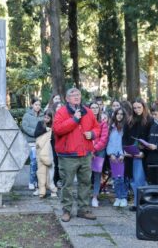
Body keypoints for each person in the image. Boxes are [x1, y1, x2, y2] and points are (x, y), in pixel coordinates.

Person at [53, 88, 100, 222]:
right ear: (67, 99)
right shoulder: (61, 112)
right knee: (67, 184)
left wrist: (93, 134)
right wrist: (74, 120)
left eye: (78, 95)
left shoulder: (88, 111)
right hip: (68, 156)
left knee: (85, 183)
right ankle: (66, 210)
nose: (76, 97)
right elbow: (57, 130)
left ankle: (83, 210)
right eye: (73, 95)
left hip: (85, 154)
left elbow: (97, 127)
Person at [122, 98, 153, 211]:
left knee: (140, 179)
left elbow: (151, 139)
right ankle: (137, 202)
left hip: (142, 155)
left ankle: (142, 203)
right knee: (133, 180)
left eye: (139, 107)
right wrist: (125, 150)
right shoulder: (130, 120)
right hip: (131, 154)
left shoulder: (149, 120)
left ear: (144, 107)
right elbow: (125, 137)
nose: (136, 110)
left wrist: (144, 152)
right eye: (134, 108)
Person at [107, 108, 128, 207]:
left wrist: (123, 154)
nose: (119, 116)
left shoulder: (126, 127)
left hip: (122, 156)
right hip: (113, 156)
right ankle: (118, 197)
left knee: (122, 178)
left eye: (121, 114)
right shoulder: (111, 127)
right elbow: (109, 142)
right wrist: (110, 154)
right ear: (114, 115)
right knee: (116, 178)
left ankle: (123, 197)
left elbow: (125, 142)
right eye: (117, 114)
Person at [34, 109, 58, 198]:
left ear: (51, 118)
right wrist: (45, 130)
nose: (45, 119)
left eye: (48, 118)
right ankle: (41, 189)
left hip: (51, 151)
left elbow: (55, 138)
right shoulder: (40, 124)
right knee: (41, 170)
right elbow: (36, 134)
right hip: (41, 150)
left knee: (51, 170)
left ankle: (52, 188)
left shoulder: (54, 125)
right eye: (45, 117)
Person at [21, 98, 44, 190]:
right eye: (36, 104)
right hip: (31, 142)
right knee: (33, 162)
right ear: (32, 105)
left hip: (41, 142)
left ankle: (37, 181)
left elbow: (45, 126)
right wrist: (35, 132)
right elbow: (25, 127)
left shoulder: (43, 116)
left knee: (40, 163)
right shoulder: (27, 115)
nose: (38, 106)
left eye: (39, 105)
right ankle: (31, 181)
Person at [89, 102, 109, 208]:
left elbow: (104, 138)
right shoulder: (86, 121)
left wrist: (94, 149)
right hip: (87, 151)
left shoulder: (103, 122)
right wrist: (90, 150)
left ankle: (95, 197)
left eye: (96, 107)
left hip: (99, 150)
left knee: (97, 174)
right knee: (86, 174)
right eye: (92, 107)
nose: (95, 109)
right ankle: (84, 195)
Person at [52, 102, 64, 187]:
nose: (59, 108)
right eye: (58, 106)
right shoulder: (52, 117)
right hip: (53, 142)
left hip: (63, 142)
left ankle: (60, 179)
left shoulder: (64, 117)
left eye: (61, 106)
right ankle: (55, 180)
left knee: (62, 163)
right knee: (55, 162)